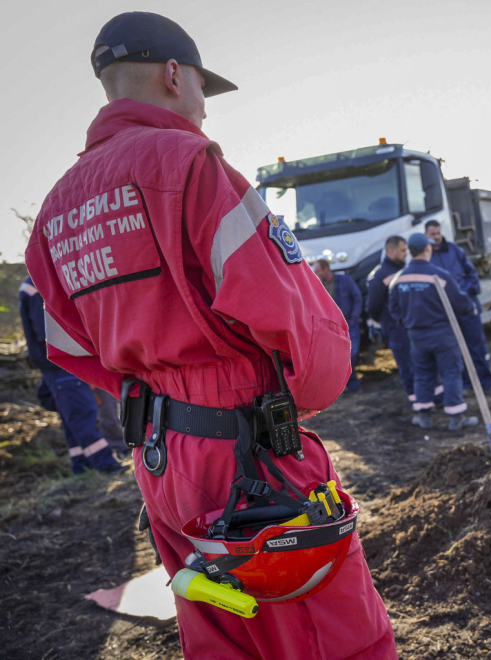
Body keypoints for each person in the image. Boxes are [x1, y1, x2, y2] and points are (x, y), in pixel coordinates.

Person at [24, 12, 395, 659]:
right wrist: (284, 395)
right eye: (201, 88)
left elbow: (70, 347)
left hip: (159, 455)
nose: (201, 108)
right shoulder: (190, 164)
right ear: (174, 75)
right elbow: (296, 320)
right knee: (331, 634)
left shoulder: (56, 211)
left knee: (220, 632)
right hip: (248, 454)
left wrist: (159, 397)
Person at [18, 277, 125, 475]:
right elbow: (46, 330)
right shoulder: (38, 284)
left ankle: (81, 464)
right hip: (63, 361)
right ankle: (106, 464)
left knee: (72, 417)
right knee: (81, 414)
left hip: (56, 363)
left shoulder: (33, 284)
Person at [388, 233, 479, 431]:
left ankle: (424, 417)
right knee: (451, 373)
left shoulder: (398, 279)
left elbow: (393, 309)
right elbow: (461, 302)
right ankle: (456, 418)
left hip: (416, 336)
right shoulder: (439, 275)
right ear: (427, 249)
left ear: (410, 251)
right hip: (442, 334)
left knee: (422, 374)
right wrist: (471, 308)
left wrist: (407, 324)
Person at [425, 220, 491, 395]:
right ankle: (467, 385)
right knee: (456, 350)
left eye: (438, 233)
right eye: (433, 234)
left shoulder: (455, 250)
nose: (436, 237)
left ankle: (486, 384)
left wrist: (464, 295)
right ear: (426, 236)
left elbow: (472, 275)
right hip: (445, 311)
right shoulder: (426, 257)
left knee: (477, 346)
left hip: (467, 308)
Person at [367, 236, 416, 404]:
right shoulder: (380, 275)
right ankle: (417, 402)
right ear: (392, 251)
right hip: (396, 330)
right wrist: (387, 323)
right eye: (403, 250)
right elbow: (373, 307)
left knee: (419, 365)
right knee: (408, 367)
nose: (406, 254)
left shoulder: (405, 270)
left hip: (410, 328)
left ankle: (429, 400)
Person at [313, 259, 363, 392]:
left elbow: (357, 298)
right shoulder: (319, 286)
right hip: (333, 328)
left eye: (318, 271)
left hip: (349, 324)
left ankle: (352, 384)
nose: (316, 273)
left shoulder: (345, 280)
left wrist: (353, 319)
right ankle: (347, 385)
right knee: (339, 357)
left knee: (352, 354)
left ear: (326, 269)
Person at [92, 386, 130, 457]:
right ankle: (120, 447)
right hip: (100, 381)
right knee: (109, 414)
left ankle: (126, 444)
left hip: (116, 377)